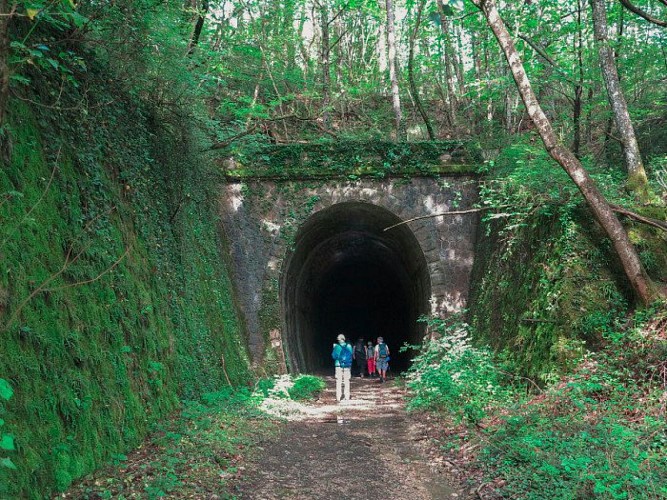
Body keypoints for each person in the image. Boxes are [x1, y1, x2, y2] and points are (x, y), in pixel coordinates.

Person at [331, 333, 353, 402]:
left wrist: (334, 348)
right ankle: (347, 396)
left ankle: (338, 397)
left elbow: (334, 356)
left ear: (338, 340)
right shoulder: (349, 346)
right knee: (347, 380)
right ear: (344, 339)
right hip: (347, 365)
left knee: (339, 381)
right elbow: (351, 354)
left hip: (338, 365)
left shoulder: (337, 346)